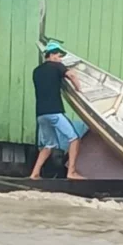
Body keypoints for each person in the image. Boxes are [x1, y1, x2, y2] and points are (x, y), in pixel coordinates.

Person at [29, 42, 84, 180]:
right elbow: (71, 75)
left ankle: (34, 173)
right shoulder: (57, 67)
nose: (60, 59)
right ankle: (71, 172)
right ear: (52, 55)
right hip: (55, 111)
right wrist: (79, 89)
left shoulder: (36, 71)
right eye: (59, 56)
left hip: (41, 114)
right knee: (74, 139)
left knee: (48, 145)